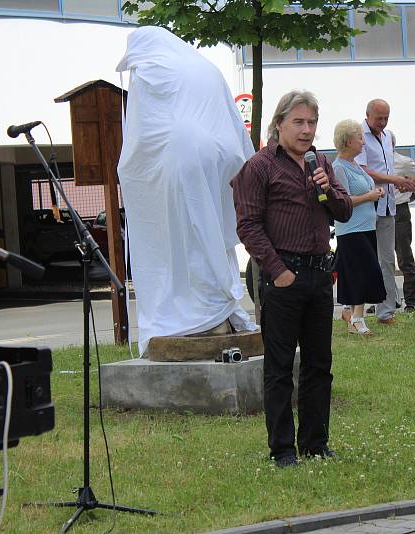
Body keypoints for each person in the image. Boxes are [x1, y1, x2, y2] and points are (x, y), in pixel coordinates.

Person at [115, 26, 256, 355]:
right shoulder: (203, 67)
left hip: (181, 157)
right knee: (211, 234)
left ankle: (201, 314)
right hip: (220, 156)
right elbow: (234, 126)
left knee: (186, 240)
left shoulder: (151, 67)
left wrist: (133, 170)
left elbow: (144, 131)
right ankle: (220, 307)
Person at [232, 91, 352, 467]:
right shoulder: (260, 166)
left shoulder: (321, 163)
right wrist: (278, 271)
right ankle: (282, 449)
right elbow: (248, 226)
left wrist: (326, 188)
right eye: (298, 122)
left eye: (312, 123)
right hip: (283, 276)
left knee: (319, 365)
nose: (306, 130)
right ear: (279, 124)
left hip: (319, 276)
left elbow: (344, 211)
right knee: (280, 367)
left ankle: (315, 443)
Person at [355, 99, 415, 325]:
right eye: (378, 118)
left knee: (388, 260)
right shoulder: (358, 135)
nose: (382, 122)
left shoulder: (386, 136)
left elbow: (387, 169)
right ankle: (351, 309)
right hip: (367, 206)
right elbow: (362, 171)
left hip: (388, 204)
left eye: (386, 118)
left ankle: (386, 312)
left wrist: (399, 183)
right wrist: (393, 179)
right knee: (363, 259)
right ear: (367, 114)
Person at [332, 120, 387, 336]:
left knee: (363, 272)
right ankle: (357, 318)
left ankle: (351, 313)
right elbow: (343, 201)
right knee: (362, 273)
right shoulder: (338, 167)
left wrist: (373, 195)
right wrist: (370, 196)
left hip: (366, 228)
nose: (363, 142)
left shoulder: (355, 164)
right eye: (359, 138)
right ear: (348, 141)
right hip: (351, 230)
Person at [392, 134, 415, 313]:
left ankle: (412, 300)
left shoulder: (402, 161)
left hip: (399, 211)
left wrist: (411, 192)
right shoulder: (373, 163)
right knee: (382, 260)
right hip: (378, 211)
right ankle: (386, 300)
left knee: (404, 258)